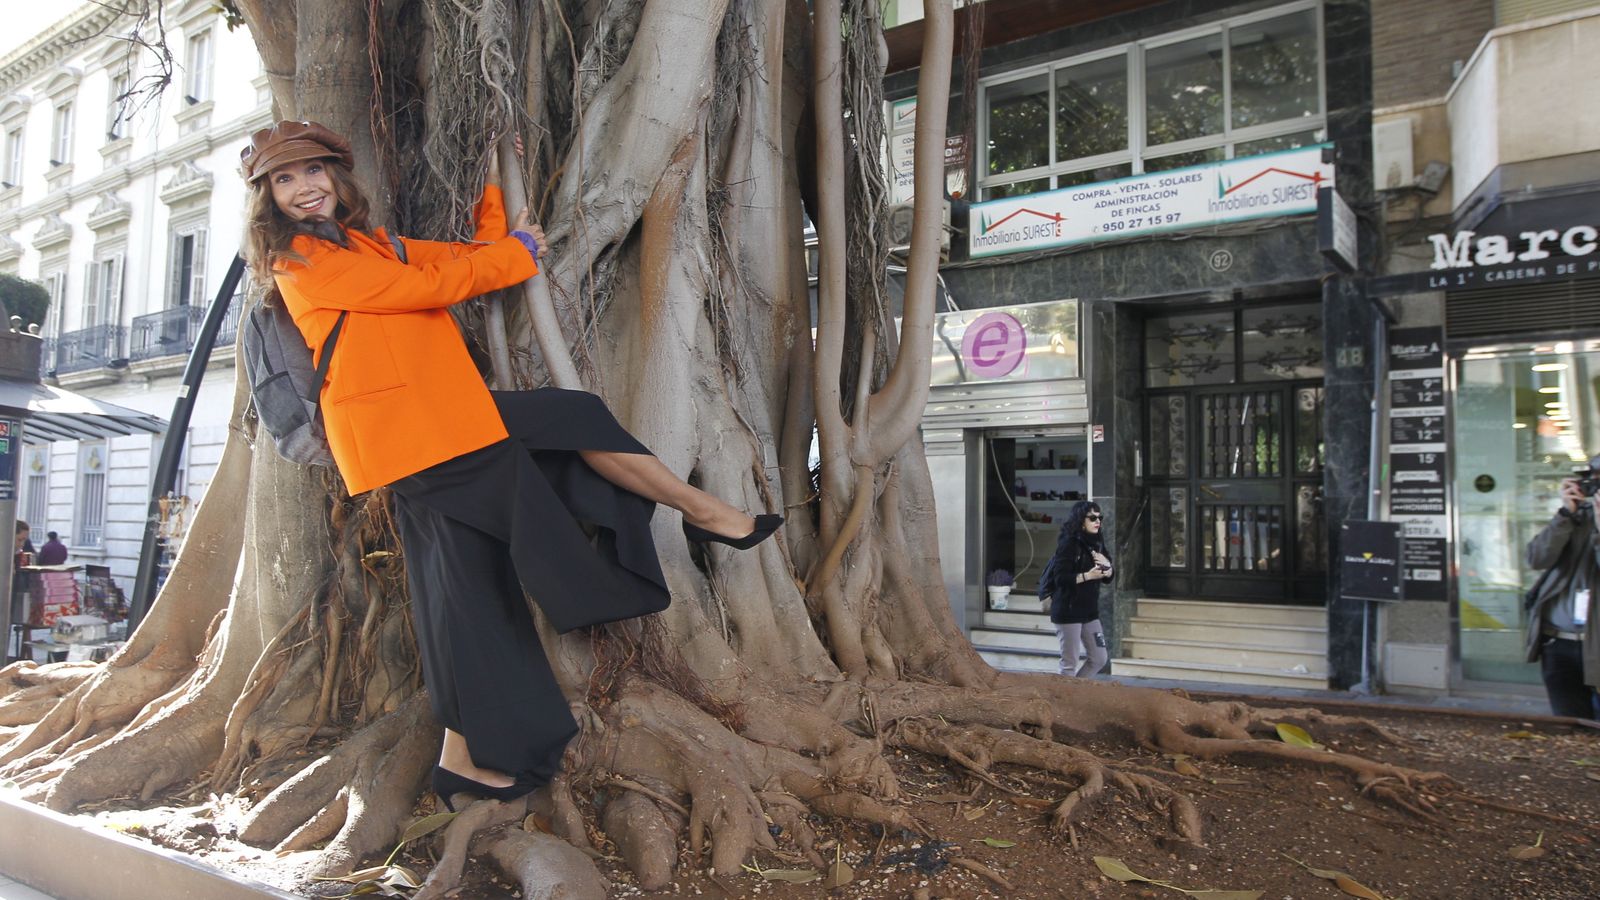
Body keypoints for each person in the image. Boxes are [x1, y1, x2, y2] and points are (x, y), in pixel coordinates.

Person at [239, 120, 783, 809]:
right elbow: (429, 288)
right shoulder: (299, 261)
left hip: (445, 419)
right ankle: (693, 523)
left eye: (311, 172)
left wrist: (499, 182)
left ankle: (462, 756)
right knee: (474, 580)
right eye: (284, 180)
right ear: (268, 199)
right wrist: (518, 255)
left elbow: (472, 254)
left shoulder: (371, 244)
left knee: (468, 579)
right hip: (410, 435)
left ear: (336, 177)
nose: (303, 189)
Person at [1524, 458, 1600, 719]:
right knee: (1568, 731)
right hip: (1559, 643)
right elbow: (1536, 558)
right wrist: (1566, 514)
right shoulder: (1576, 517)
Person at [1043, 500, 1112, 677]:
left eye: (1099, 517)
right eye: (1092, 518)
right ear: (1081, 520)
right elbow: (1060, 578)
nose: (1098, 521)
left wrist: (1109, 569)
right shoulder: (1069, 544)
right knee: (1069, 664)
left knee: (1099, 658)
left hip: (1090, 613)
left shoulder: (1098, 543)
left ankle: (1077, 694)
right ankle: (1063, 702)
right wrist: (1087, 576)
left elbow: (1108, 577)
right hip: (1068, 611)